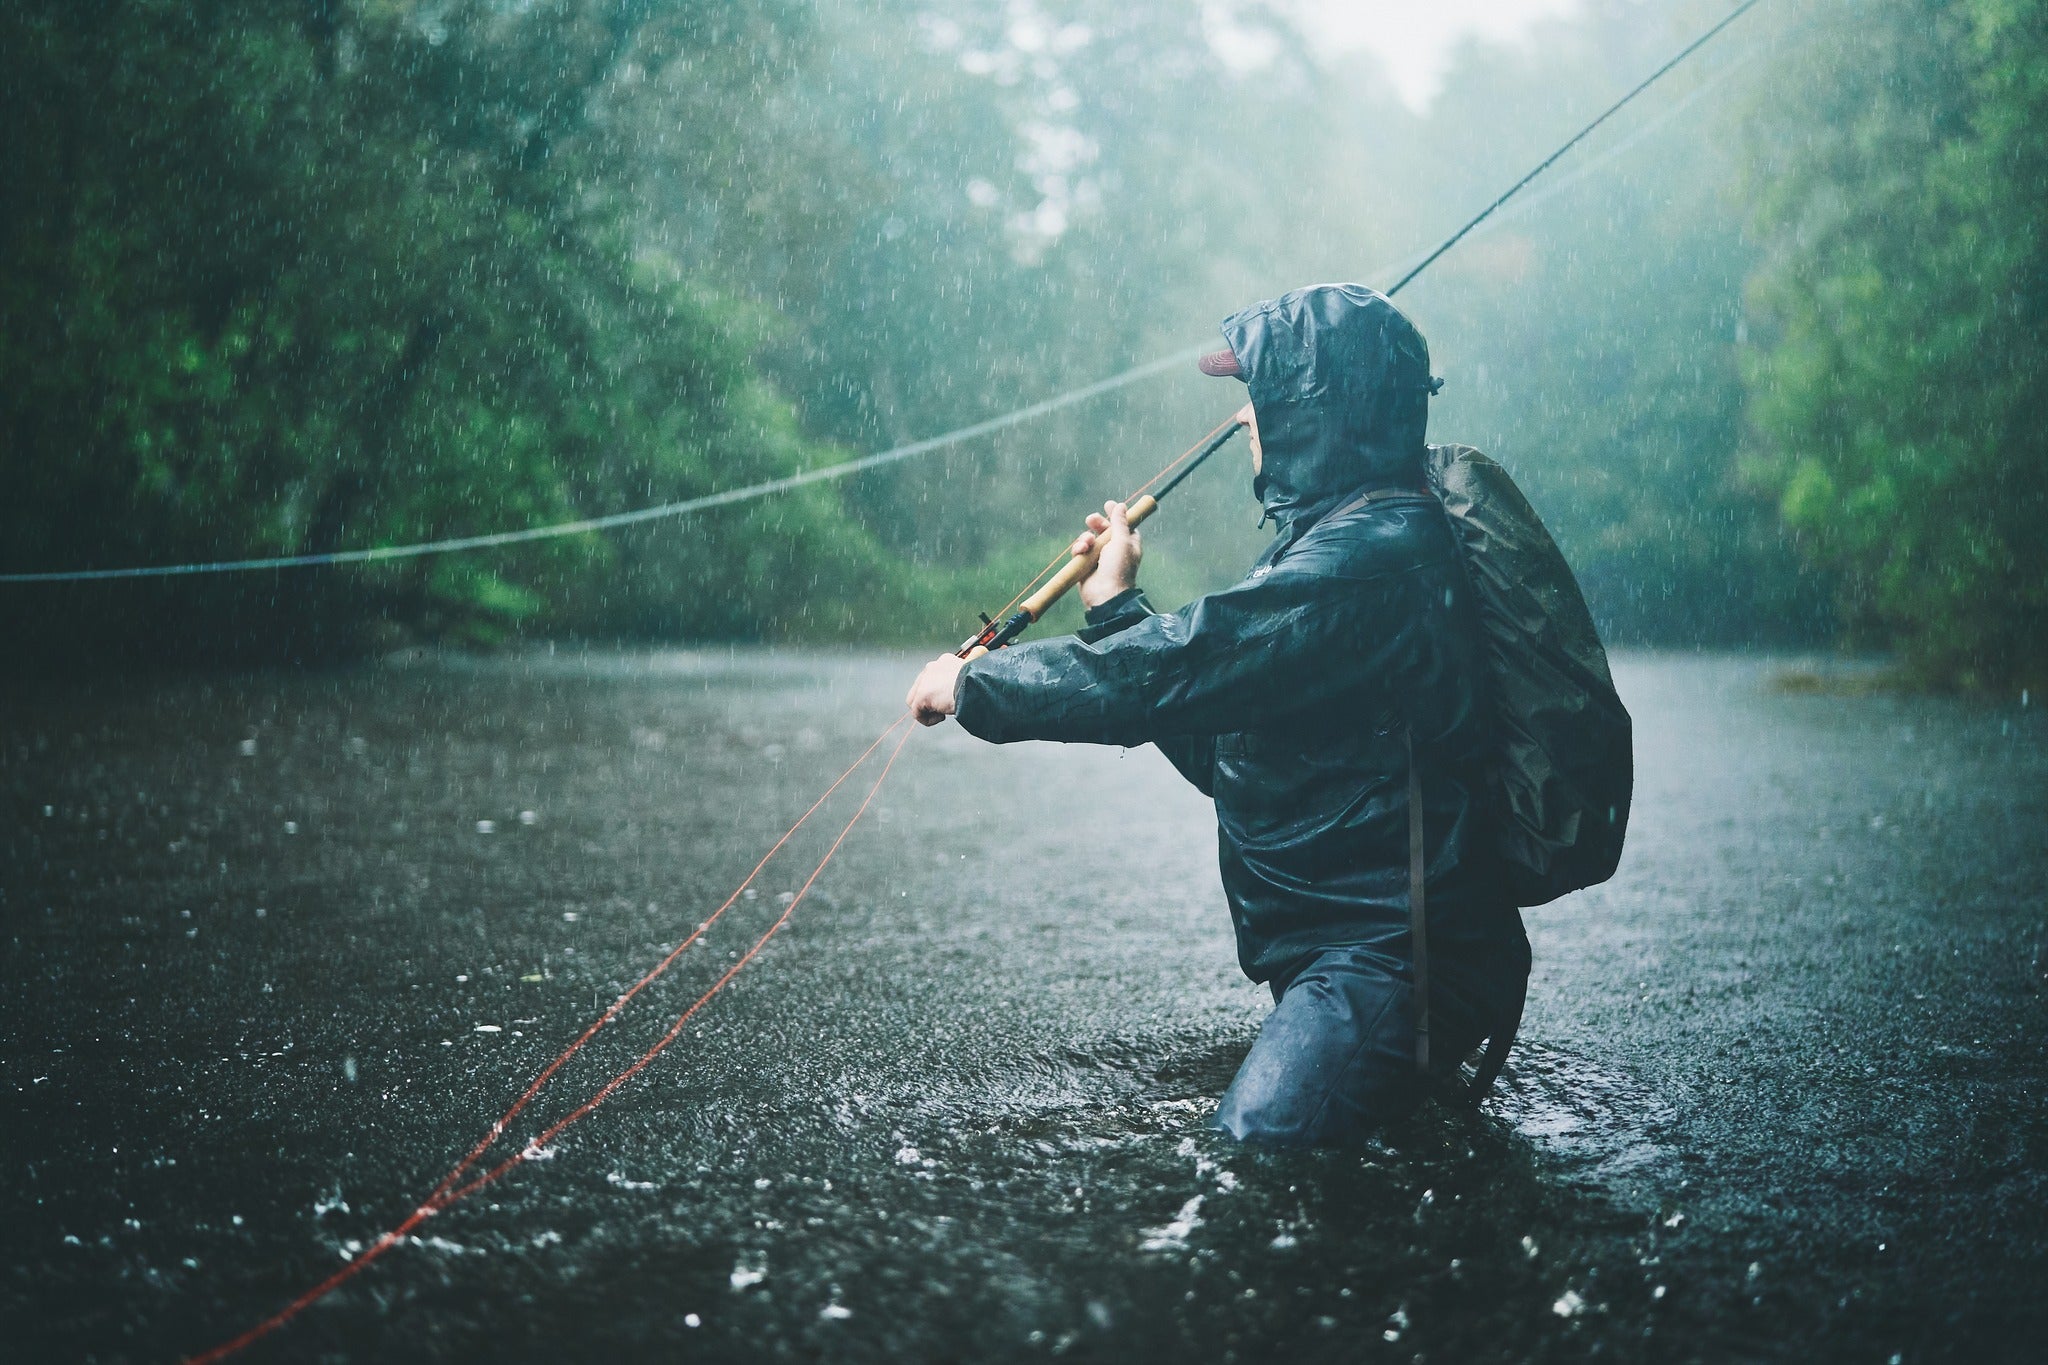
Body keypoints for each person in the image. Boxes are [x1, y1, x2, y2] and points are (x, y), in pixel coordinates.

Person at [904, 283, 1528, 1145]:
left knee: (1254, 1154)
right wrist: (1117, 606)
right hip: (1358, 956)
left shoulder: (1371, 558)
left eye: (1259, 398)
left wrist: (976, 685)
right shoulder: (1344, 545)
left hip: (1396, 962)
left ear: (1315, 413)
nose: (1245, 421)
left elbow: (1184, 662)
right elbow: (1234, 759)